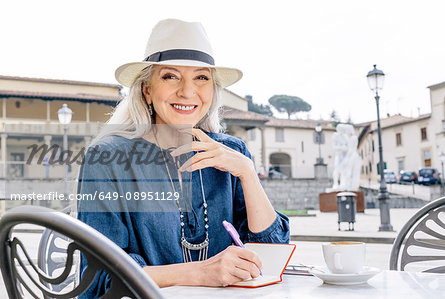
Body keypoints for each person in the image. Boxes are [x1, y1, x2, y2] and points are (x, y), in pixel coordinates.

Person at [77, 19, 289, 296]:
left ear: (212, 90)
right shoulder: (108, 158)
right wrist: (203, 273)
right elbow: (100, 279)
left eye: (201, 78)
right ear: (147, 90)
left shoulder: (233, 152)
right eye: (170, 76)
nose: (188, 92)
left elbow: (272, 253)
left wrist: (248, 173)